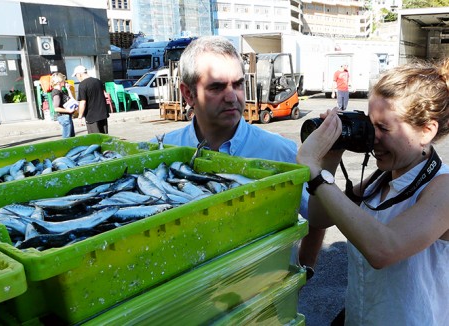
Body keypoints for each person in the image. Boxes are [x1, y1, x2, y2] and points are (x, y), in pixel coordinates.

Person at [153, 35, 325, 275]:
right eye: (216, 87)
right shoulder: (160, 154)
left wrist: (304, 271)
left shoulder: (279, 152)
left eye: (238, 84)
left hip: (263, 298)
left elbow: (318, 217)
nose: (232, 96)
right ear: (188, 94)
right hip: (188, 300)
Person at [297, 59, 449, 325]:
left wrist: (315, 173)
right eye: (370, 124)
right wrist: (330, 158)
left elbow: (383, 249)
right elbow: (320, 218)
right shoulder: (380, 180)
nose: (372, 137)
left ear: (426, 131)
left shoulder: (442, 187)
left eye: (384, 128)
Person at [72, 65, 109, 134]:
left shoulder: (82, 85)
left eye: (76, 75)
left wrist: (80, 116)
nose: (76, 77)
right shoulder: (98, 81)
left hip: (91, 116)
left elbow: (83, 102)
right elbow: (104, 94)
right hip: (103, 114)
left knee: (95, 139)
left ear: (79, 74)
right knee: (104, 137)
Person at [50, 72, 75, 138]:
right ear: (59, 82)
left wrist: (68, 89)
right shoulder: (56, 92)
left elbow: (71, 99)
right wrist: (68, 111)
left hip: (67, 116)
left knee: (71, 137)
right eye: (63, 80)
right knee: (67, 138)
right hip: (63, 116)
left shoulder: (62, 91)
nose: (65, 81)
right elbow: (56, 108)